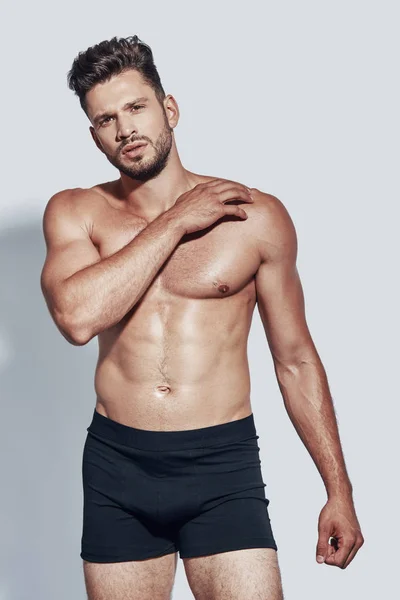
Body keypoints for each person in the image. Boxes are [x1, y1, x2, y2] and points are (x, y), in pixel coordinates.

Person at [40, 35, 364, 600]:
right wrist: (175, 221)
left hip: (222, 467)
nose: (126, 129)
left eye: (137, 108)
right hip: (120, 467)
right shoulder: (76, 211)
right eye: (106, 120)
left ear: (169, 109)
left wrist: (339, 490)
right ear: (95, 135)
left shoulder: (256, 218)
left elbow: (295, 360)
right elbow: (76, 318)